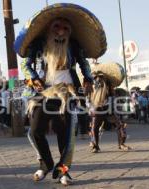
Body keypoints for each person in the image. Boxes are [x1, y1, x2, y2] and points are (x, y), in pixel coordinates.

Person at [14, 3, 106, 186]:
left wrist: (87, 79)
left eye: (65, 28)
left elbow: (84, 64)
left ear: (69, 31)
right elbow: (25, 64)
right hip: (44, 92)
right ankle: (46, 164)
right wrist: (33, 78)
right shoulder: (38, 43)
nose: (61, 32)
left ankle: (64, 171)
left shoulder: (73, 45)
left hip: (68, 93)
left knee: (66, 134)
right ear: (50, 28)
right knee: (34, 132)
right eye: (57, 27)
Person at [88, 67, 131, 153]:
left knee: (120, 125)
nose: (99, 80)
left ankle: (121, 144)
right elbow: (88, 99)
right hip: (97, 109)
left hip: (108, 109)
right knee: (94, 127)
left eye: (101, 77)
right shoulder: (92, 86)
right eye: (97, 78)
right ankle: (95, 146)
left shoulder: (108, 86)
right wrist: (91, 107)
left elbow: (113, 97)